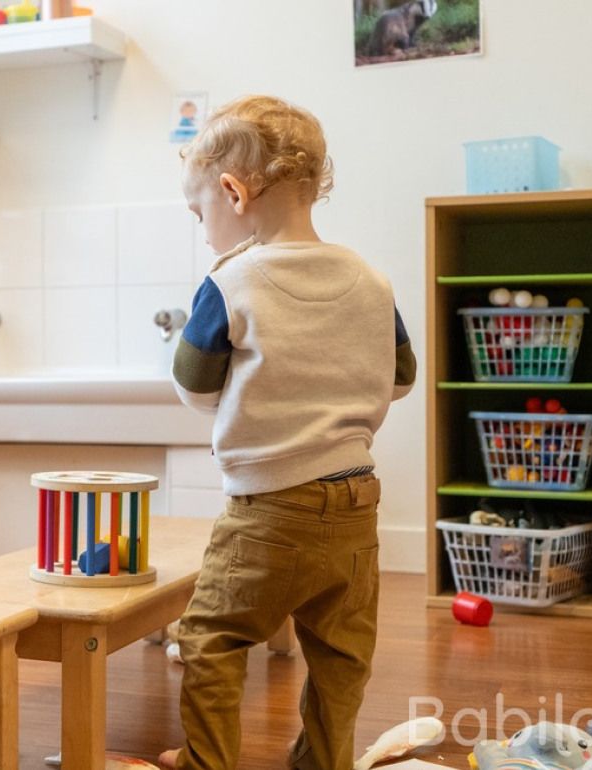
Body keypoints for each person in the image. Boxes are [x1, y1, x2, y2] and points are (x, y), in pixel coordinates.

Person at [159, 94, 417, 770]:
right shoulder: (372, 279)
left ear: (232, 191)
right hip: (357, 507)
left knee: (211, 637)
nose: (203, 227)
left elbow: (193, 386)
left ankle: (207, 763)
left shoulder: (231, 280)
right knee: (340, 657)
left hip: (269, 512)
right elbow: (400, 378)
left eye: (200, 213)